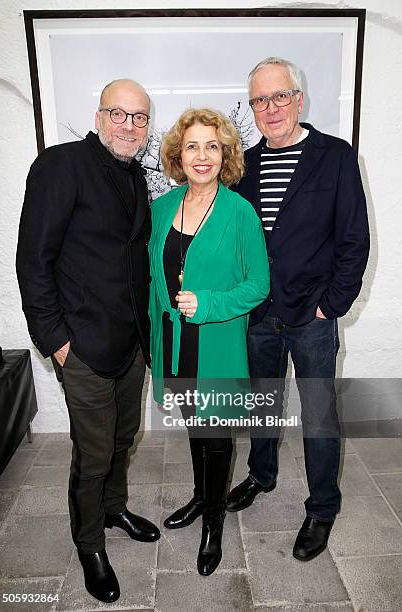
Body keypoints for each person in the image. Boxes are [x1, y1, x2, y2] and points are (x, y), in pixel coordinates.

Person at [16, 79, 160, 603]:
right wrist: (55, 340)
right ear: (98, 117)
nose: (129, 125)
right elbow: (33, 261)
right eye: (118, 114)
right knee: (93, 452)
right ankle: (89, 543)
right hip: (81, 344)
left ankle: (115, 507)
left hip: (130, 344)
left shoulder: (138, 176)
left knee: (124, 439)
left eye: (139, 117)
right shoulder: (60, 166)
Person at [227, 57, 370, 561]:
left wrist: (331, 305)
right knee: (261, 405)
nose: (270, 108)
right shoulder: (242, 165)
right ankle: (261, 475)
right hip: (259, 315)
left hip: (312, 317)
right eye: (259, 100)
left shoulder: (334, 156)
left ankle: (322, 508)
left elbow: (354, 239)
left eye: (279, 96)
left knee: (318, 416)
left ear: (298, 99)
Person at [148, 108, 270, 575]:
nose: (202, 156)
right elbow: (151, 279)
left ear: (226, 155)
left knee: (217, 437)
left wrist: (211, 303)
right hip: (176, 347)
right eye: (193, 146)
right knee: (195, 428)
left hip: (216, 346)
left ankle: (213, 525)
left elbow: (258, 284)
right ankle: (202, 497)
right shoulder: (162, 207)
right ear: (180, 153)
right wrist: (154, 341)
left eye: (212, 146)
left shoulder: (240, 213)